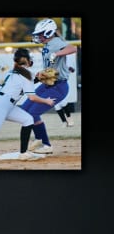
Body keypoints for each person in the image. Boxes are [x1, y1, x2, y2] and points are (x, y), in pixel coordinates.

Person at [24, 18, 79, 154]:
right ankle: (39, 138)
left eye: (41, 33)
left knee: (33, 113)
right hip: (48, 84)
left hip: (58, 87)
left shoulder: (55, 42)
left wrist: (56, 53)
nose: (39, 36)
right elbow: (51, 67)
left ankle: (46, 145)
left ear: (49, 32)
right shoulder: (48, 44)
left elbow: (73, 48)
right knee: (24, 110)